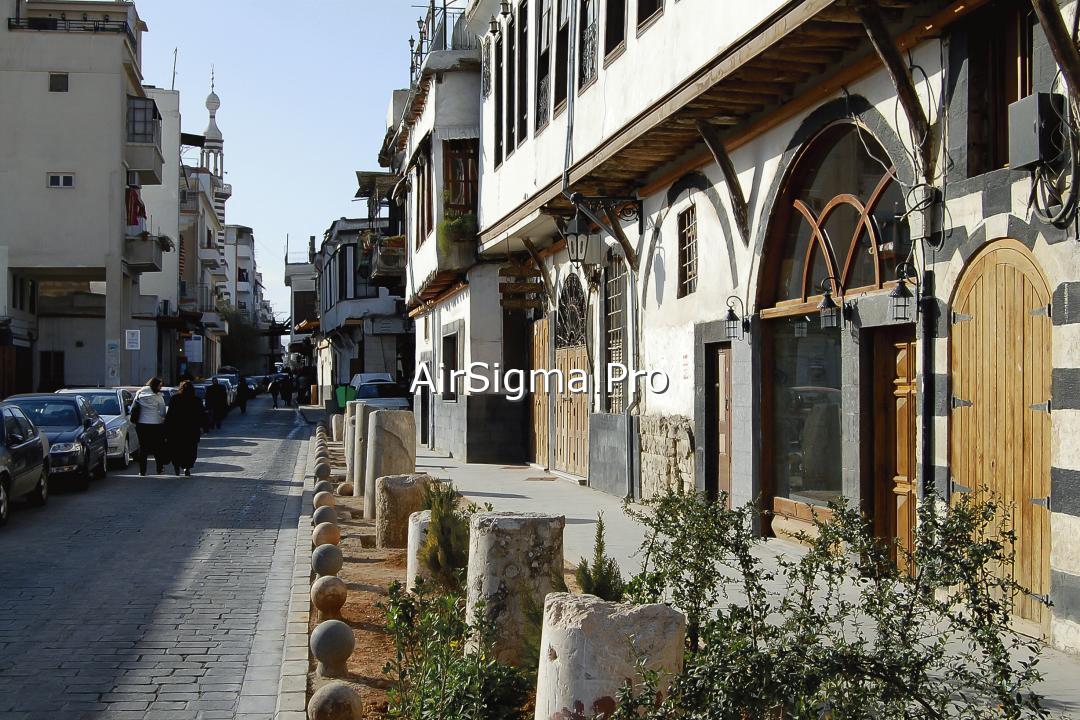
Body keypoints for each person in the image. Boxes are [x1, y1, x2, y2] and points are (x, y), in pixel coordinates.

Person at [165, 381, 204, 476]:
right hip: (191, 430)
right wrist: (202, 426)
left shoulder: (175, 399)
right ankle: (187, 467)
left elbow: (170, 415)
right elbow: (201, 415)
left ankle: (177, 466)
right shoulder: (197, 400)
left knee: (177, 448)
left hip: (177, 429)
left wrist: (167, 428)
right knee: (190, 450)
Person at [133, 376, 168, 476]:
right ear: (155, 385)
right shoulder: (158, 397)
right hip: (156, 424)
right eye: (160, 386)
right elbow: (162, 411)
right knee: (157, 447)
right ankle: (159, 468)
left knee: (143, 448)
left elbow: (133, 407)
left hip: (141, 424)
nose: (160, 388)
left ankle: (142, 471)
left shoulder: (139, 393)